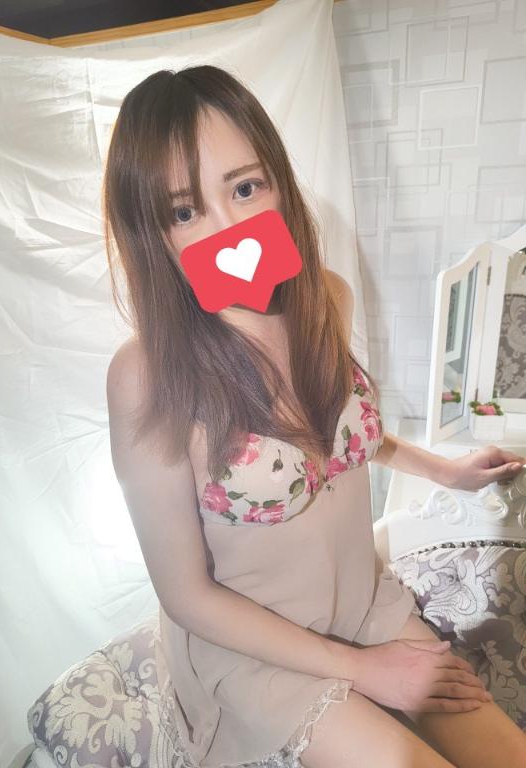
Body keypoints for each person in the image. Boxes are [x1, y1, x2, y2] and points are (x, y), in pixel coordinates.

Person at [103, 65, 526, 767]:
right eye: (184, 211)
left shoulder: (325, 295)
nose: (229, 228)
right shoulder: (144, 375)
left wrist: (444, 471)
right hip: (256, 649)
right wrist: (365, 671)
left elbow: (335, 433)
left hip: (361, 602)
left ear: (278, 181)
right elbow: (185, 594)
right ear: (151, 232)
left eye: (245, 188)